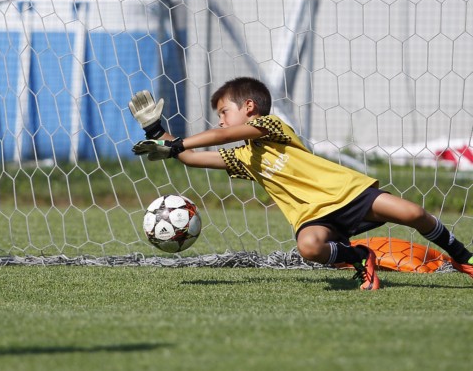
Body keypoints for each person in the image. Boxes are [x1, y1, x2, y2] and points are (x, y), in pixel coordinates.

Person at [129, 77, 473, 290]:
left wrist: (179, 143)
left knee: (412, 212)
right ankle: (359, 257)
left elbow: (223, 135)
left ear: (249, 107)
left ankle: (462, 257)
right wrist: (156, 132)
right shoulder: (244, 158)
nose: (220, 119)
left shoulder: (273, 127)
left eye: (223, 111)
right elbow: (191, 157)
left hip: (347, 193)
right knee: (309, 248)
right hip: (312, 216)